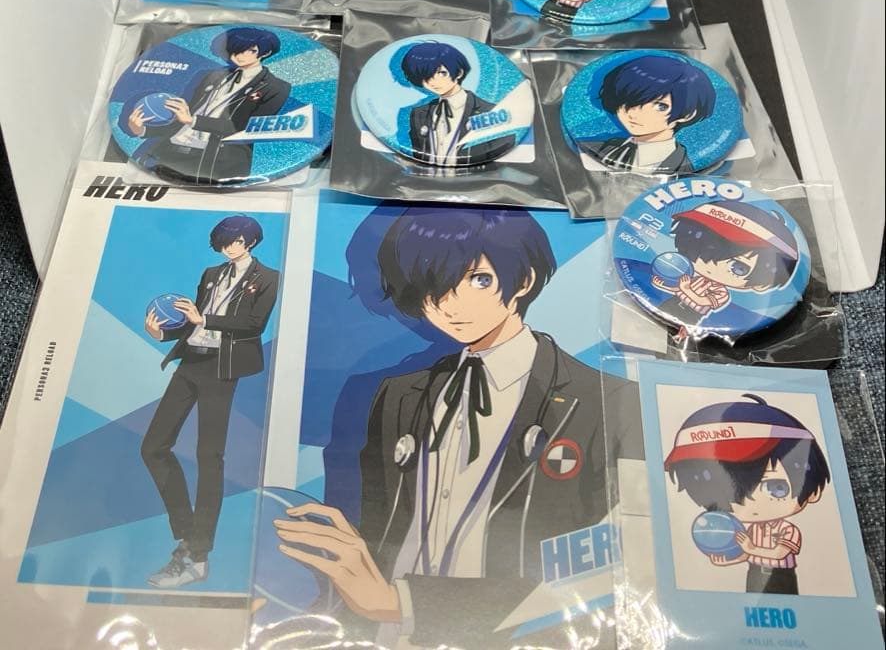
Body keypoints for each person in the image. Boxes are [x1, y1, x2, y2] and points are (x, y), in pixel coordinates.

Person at [272, 207, 639, 646]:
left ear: (523, 280)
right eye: (431, 289)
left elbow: (614, 572)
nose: (450, 304)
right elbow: (380, 528)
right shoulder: (398, 395)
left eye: (478, 280)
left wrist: (398, 602)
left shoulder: (605, 402)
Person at [141, 215, 279, 588]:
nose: (227, 248)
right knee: (153, 447)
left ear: (250, 241)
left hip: (222, 368)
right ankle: (189, 533)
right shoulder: (211, 274)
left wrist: (205, 319)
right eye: (222, 243)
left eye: (234, 241)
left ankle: (197, 556)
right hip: (191, 362)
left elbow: (254, 325)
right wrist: (161, 334)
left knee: (209, 457)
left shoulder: (269, 277)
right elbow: (193, 323)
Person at [665, 394, 831, 594]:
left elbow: (779, 552)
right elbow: (746, 554)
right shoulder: (752, 530)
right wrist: (728, 560)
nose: (748, 502)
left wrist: (751, 548)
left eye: (777, 488)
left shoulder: (787, 529)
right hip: (754, 573)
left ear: (813, 492)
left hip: (781, 575)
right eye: (726, 492)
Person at [124, 27, 291, 186]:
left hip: (216, 162)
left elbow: (247, 128)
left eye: (251, 50)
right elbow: (184, 118)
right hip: (169, 151)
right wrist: (142, 130)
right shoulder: (212, 76)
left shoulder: (276, 87)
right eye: (235, 49)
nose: (240, 55)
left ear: (266, 53)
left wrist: (193, 120)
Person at [653, 199, 800, 327]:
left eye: (739, 267)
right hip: (670, 304)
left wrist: (685, 288)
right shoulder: (696, 280)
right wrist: (664, 286)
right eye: (699, 247)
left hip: (690, 315)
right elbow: (680, 291)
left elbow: (702, 301)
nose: (712, 264)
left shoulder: (721, 292)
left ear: (763, 284)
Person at [578, 55, 716, 173]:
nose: (633, 113)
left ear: (688, 114)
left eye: (661, 106)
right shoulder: (596, 147)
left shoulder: (687, 168)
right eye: (627, 101)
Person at [399, 41, 516, 168]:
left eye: (442, 73)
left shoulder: (492, 111)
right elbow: (417, 155)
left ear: (459, 72)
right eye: (425, 76)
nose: (433, 81)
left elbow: (503, 149)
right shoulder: (419, 114)